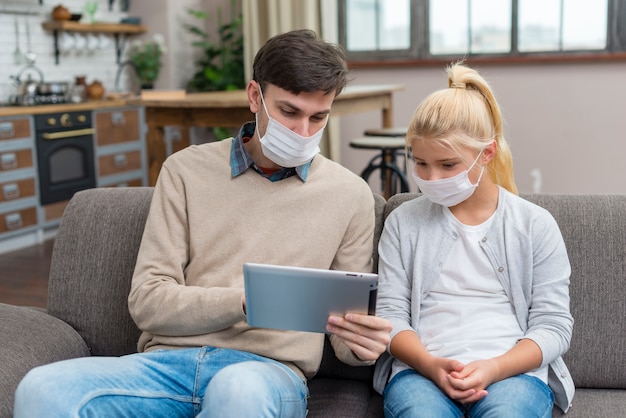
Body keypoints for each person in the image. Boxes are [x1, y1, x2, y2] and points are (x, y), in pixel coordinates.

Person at [14, 29, 392, 418]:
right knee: (42, 388)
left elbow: (348, 342)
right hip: (167, 368)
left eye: (319, 117)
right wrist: (245, 301)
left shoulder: (350, 195)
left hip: (267, 374)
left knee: (237, 390)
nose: (303, 133)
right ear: (254, 97)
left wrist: (362, 346)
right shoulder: (185, 171)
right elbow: (147, 301)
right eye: (289, 112)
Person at [373, 62, 574, 417]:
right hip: (420, 374)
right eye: (420, 163)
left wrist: (493, 368)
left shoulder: (534, 225)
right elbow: (390, 317)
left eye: (447, 165)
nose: (431, 178)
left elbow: (554, 326)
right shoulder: (403, 222)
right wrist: (430, 365)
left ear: (487, 153)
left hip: (513, 374)